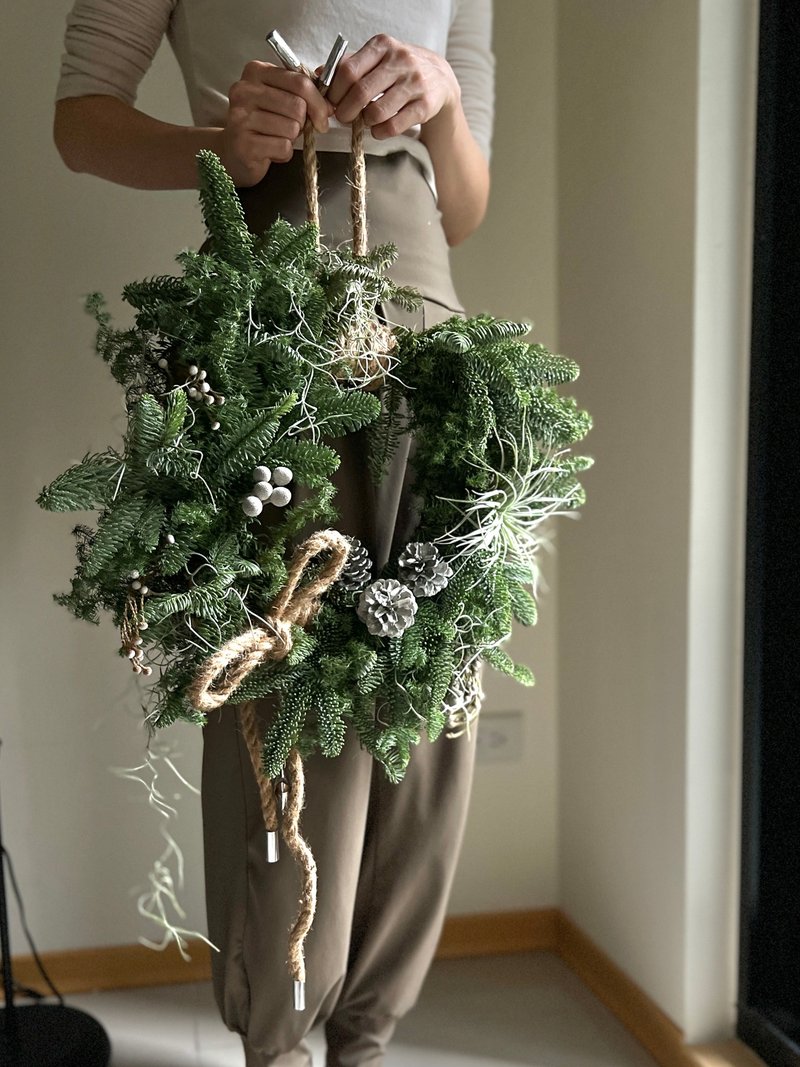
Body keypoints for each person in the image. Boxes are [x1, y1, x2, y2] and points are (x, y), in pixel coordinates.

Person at [54, 4, 495, 1065]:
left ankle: (366, 1035)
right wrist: (217, 146)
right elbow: (80, 120)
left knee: (432, 698)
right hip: (270, 326)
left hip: (433, 335)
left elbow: (467, 203)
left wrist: (435, 102)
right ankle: (281, 1039)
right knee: (287, 687)